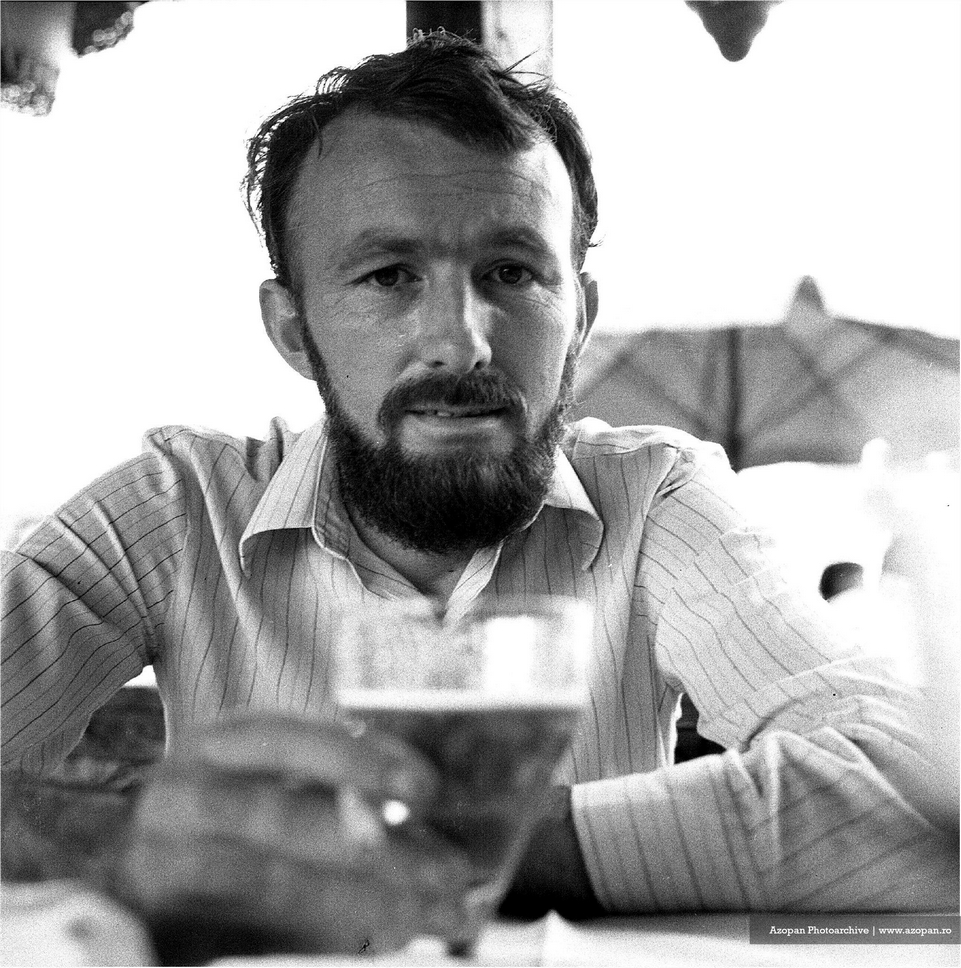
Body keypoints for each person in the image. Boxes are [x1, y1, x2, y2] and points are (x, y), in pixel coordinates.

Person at [1, 32, 956, 957]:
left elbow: (911, 787)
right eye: (389, 276)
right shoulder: (175, 508)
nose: (460, 342)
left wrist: (469, 856)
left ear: (579, 313)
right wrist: (121, 845)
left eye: (510, 272)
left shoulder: (658, 498)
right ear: (293, 329)